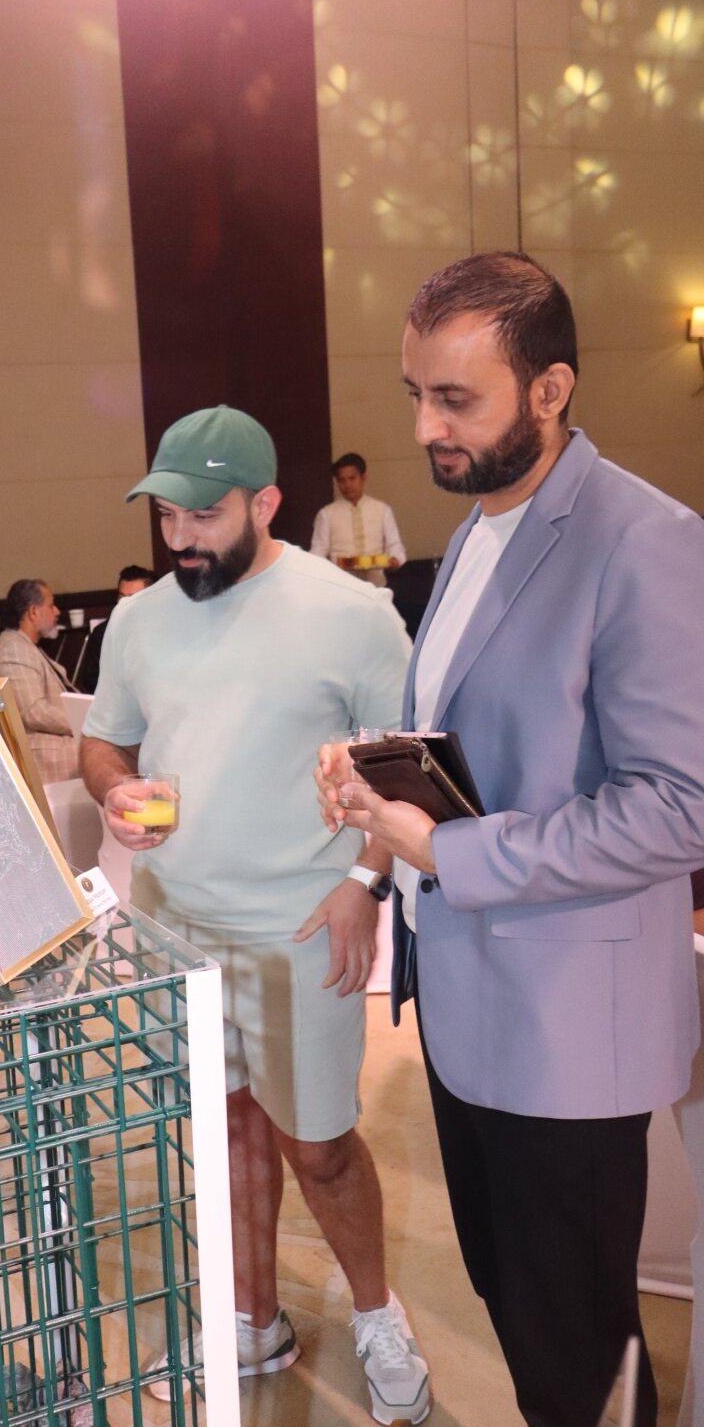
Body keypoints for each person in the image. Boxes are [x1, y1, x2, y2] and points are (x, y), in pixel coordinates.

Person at [316, 251, 704, 1427]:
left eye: (455, 399)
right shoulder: (480, 528)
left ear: (551, 388)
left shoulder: (643, 539)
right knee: (523, 1310)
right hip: (468, 1007)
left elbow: (677, 803)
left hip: (569, 1029)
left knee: (579, 1353)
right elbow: (468, 746)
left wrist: (448, 854)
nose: (424, 428)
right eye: (415, 394)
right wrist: (373, 826)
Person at [80, 406, 429, 1423]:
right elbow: (105, 740)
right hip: (175, 924)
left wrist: (364, 883)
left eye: (205, 514)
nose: (181, 537)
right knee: (225, 1125)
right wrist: (112, 787)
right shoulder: (140, 620)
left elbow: (402, 768)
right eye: (167, 516)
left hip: (301, 927)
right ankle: (251, 1316)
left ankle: (378, 1315)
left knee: (319, 1144)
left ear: (267, 502)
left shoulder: (352, 614)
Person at [0, 579, 78, 784]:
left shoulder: (24, 646)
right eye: (51, 605)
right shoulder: (14, 649)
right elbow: (33, 711)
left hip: (53, 742)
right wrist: (84, 722)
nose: (57, 611)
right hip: (44, 753)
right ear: (33, 612)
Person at [310, 452, 406, 587]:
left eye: (352, 478)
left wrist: (395, 560)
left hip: (376, 587)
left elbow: (394, 545)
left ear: (363, 478)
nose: (347, 485)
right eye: (342, 480)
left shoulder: (382, 510)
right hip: (340, 587)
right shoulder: (326, 514)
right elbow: (318, 552)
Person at [77, 564, 156, 693]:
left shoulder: (163, 630)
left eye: (132, 598)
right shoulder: (102, 633)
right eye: (121, 597)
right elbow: (91, 678)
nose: (124, 604)